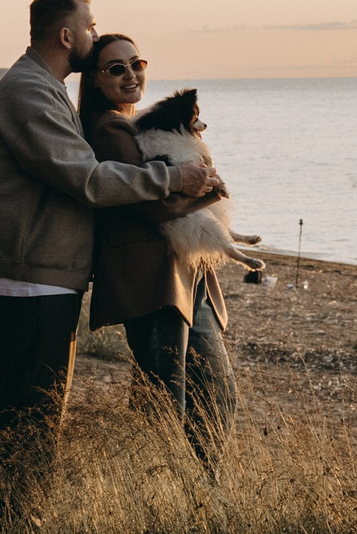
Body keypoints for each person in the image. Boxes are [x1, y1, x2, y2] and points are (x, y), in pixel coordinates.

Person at [0, 0, 215, 519]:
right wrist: (171, 175)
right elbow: (88, 180)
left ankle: (21, 520)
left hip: (41, 273)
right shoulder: (30, 92)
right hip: (31, 277)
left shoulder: (42, 87)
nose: (95, 36)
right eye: (91, 27)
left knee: (35, 402)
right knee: (33, 404)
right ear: (66, 35)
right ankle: (18, 527)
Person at [78, 33, 238, 465]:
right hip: (154, 285)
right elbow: (154, 206)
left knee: (205, 396)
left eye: (137, 64)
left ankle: (196, 495)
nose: (131, 74)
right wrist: (209, 191)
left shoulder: (137, 126)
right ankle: (179, 496)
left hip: (177, 279)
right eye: (116, 68)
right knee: (175, 401)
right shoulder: (111, 128)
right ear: (95, 80)